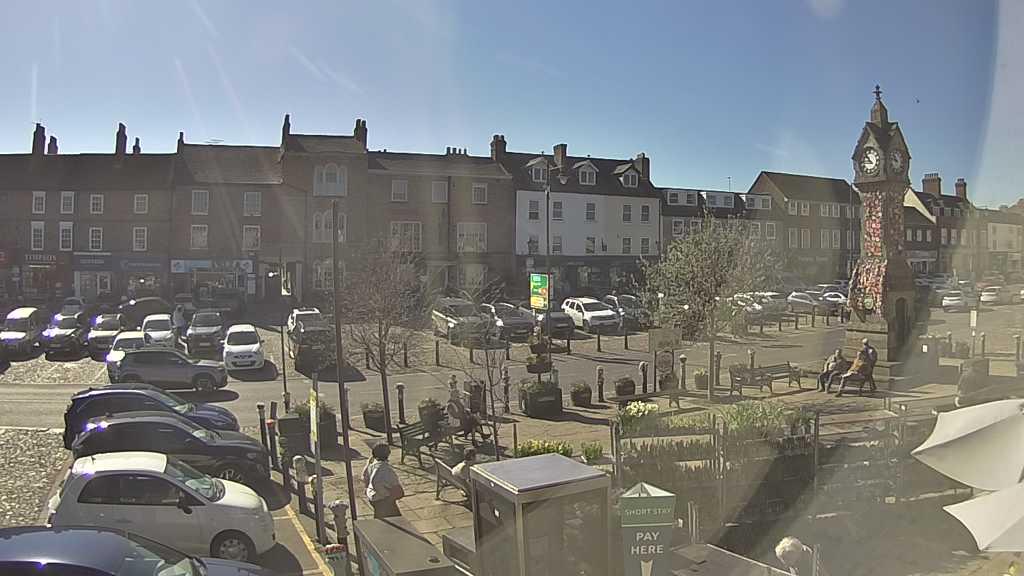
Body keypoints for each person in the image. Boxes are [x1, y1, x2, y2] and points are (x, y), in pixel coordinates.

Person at [361, 443, 405, 518]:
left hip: (374, 499)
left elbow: (364, 477)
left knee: (380, 518)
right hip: (384, 501)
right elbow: (397, 489)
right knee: (396, 521)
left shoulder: (371, 465)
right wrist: (385, 494)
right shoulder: (387, 470)